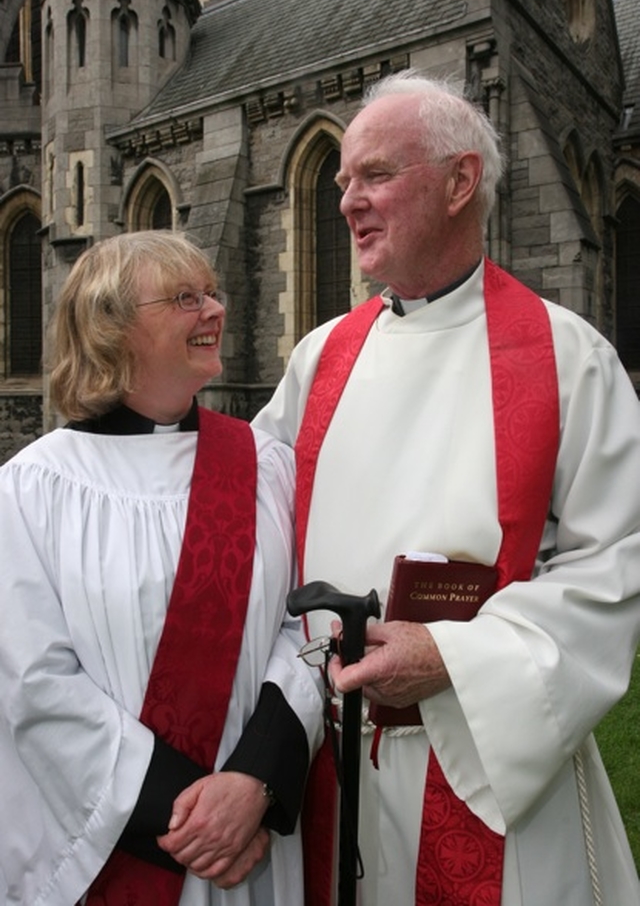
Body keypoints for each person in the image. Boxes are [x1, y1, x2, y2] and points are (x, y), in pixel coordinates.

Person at [253, 71, 640, 905]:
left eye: (376, 175)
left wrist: (452, 657)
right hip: (327, 752)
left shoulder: (567, 357)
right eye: (343, 177)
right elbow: (249, 524)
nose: (347, 199)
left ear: (462, 181)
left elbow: (615, 562)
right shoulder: (319, 357)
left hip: (484, 757)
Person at [0, 230, 324, 906]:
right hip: (117, 844)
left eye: (211, 293)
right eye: (184, 297)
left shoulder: (265, 466)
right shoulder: (30, 488)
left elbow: (302, 629)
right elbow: (33, 682)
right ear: (110, 327)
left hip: (252, 835)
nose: (213, 310)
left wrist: (257, 781)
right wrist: (199, 815)